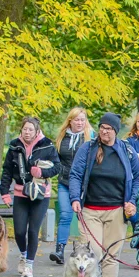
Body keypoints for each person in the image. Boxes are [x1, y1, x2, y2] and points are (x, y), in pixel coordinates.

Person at [69, 112, 139, 277]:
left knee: (111, 255)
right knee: (92, 253)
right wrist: (75, 198)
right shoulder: (88, 149)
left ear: (116, 131)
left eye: (109, 129)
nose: (104, 131)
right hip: (90, 209)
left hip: (117, 211)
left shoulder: (126, 150)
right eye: (102, 127)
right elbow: (75, 174)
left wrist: (132, 200)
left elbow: (138, 177)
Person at [0, 116, 61, 277]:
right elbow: (7, 170)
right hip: (21, 192)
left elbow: (57, 167)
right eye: (25, 129)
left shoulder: (47, 145)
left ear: (37, 131)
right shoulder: (15, 145)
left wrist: (42, 172)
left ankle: (29, 264)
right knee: (19, 231)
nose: (27, 132)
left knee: (33, 230)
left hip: (41, 194)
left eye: (30, 130)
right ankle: (23, 254)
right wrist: (4, 192)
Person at [49, 108, 92, 265]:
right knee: (65, 215)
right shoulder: (62, 137)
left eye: (82, 120)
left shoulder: (91, 137)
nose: (80, 123)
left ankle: (88, 251)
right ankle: (60, 250)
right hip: (65, 183)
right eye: (77, 120)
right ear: (70, 121)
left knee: (85, 218)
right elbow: (56, 159)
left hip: (85, 185)